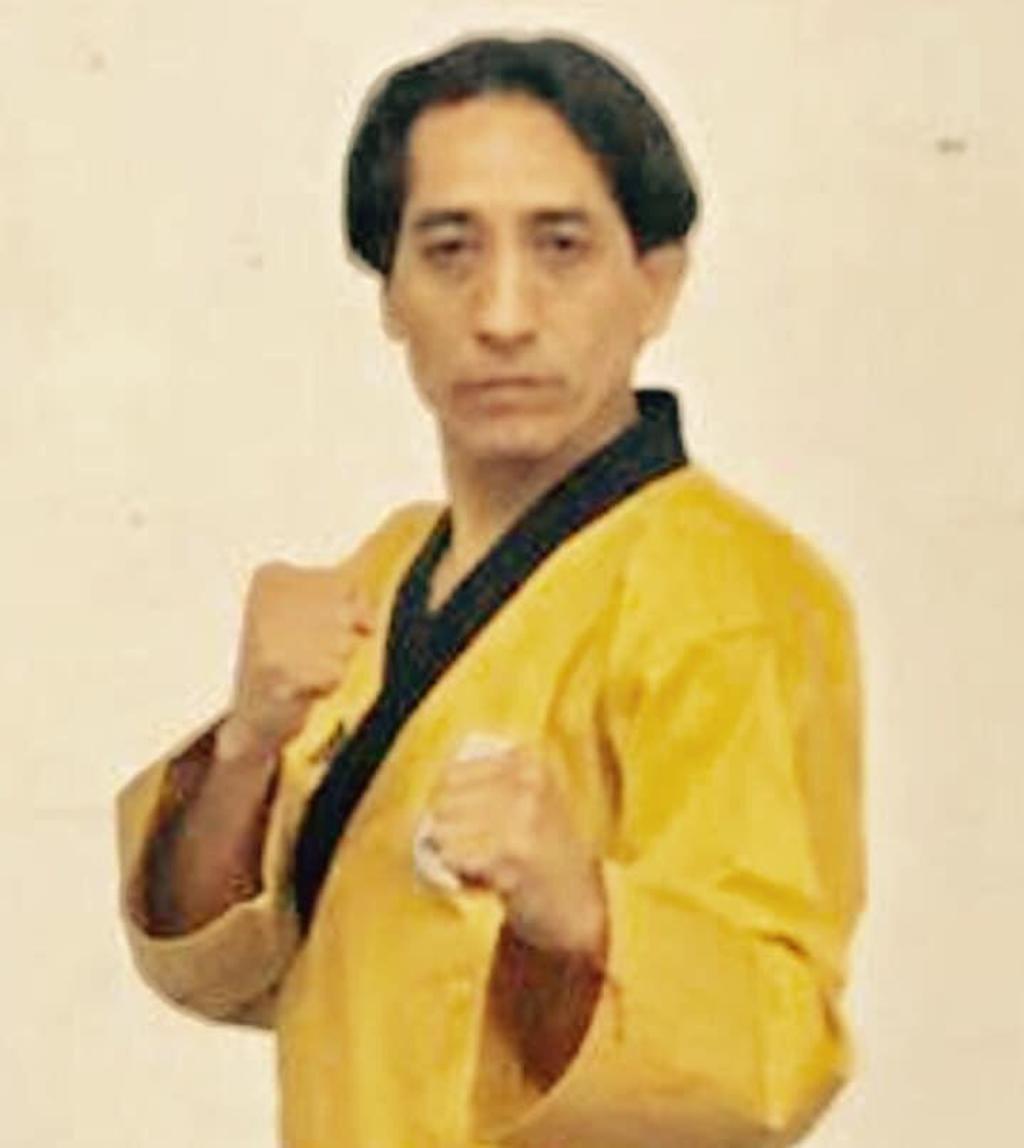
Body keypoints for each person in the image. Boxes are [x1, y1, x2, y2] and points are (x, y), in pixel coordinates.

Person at [116, 33, 864, 1148]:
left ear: (656, 282)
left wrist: (585, 908)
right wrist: (246, 750)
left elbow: (775, 1050)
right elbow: (238, 968)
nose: (504, 313)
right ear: (390, 291)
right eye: (450, 250)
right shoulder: (382, 572)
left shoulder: (731, 591)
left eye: (561, 246)